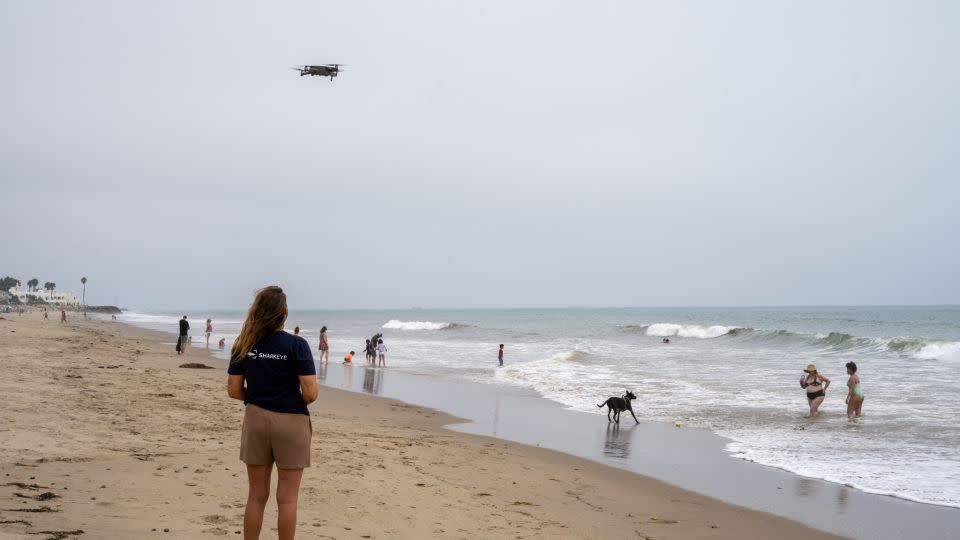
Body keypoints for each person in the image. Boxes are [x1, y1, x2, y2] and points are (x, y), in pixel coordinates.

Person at [227, 286, 317, 540]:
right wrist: (285, 399)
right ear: (284, 313)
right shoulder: (297, 345)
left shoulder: (243, 343)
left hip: (256, 418)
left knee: (256, 495)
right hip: (291, 422)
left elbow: (234, 390)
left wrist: (258, 397)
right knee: (287, 500)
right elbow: (310, 393)